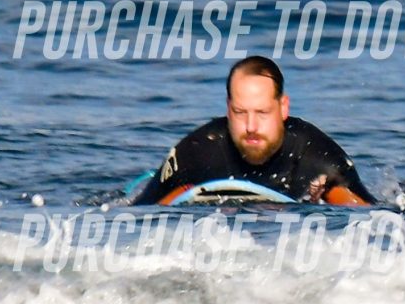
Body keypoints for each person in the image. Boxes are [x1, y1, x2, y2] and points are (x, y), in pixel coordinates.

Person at [128, 57, 373, 206]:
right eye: (240, 112)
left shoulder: (317, 157)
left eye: (262, 112)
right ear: (228, 108)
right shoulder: (197, 153)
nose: (251, 127)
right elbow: (140, 214)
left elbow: (369, 219)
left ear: (283, 107)